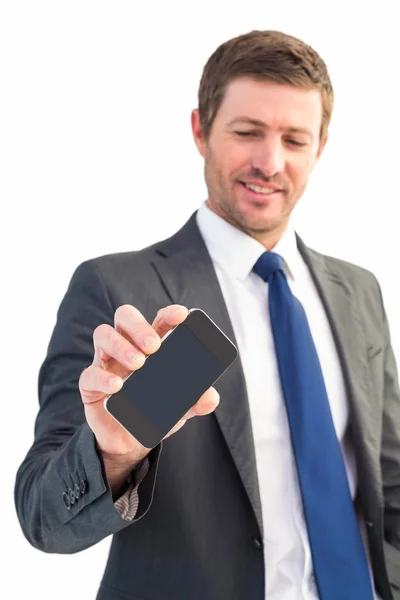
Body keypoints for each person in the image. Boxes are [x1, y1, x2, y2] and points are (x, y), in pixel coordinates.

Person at [14, 29, 400, 600]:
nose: (270, 162)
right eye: (247, 133)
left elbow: (387, 479)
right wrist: (114, 454)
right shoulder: (117, 289)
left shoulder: (358, 290)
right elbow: (43, 518)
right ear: (201, 130)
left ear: (320, 147)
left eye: (295, 139)